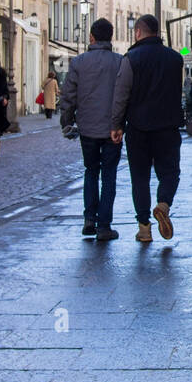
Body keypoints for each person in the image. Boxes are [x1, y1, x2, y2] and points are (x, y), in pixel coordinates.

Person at [110, 13, 184, 243]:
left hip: (139, 127)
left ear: (138, 32)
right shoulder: (175, 58)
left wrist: (116, 124)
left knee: (140, 178)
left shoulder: (131, 58)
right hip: (168, 126)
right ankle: (163, 204)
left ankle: (144, 228)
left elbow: (121, 94)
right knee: (170, 172)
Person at [59, 19, 124, 242]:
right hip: (112, 129)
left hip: (87, 127)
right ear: (111, 38)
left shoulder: (78, 62)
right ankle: (104, 225)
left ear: (91, 37)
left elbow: (68, 96)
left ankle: (89, 219)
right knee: (109, 175)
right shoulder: (120, 62)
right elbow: (125, 96)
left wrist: (66, 122)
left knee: (90, 171)